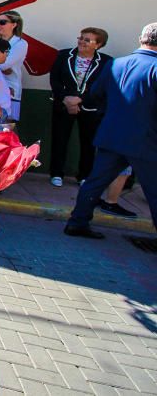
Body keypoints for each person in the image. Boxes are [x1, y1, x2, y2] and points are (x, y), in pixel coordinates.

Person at [65, 23, 157, 238]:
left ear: (141, 38)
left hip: (112, 134)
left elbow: (96, 94)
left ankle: (77, 222)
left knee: (95, 182)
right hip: (145, 140)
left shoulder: (117, 64)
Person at [48, 27, 113, 187]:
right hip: (64, 105)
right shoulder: (64, 55)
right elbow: (55, 80)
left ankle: (84, 175)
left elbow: (101, 86)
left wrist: (79, 100)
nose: (81, 42)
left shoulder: (106, 61)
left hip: (90, 108)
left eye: (87, 40)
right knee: (59, 139)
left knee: (89, 143)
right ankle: (56, 173)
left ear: (98, 45)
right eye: (81, 38)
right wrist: (65, 99)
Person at [0, 11, 28, 121]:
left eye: (3, 22)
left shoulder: (20, 44)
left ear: (14, 24)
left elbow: (4, 64)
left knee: (6, 126)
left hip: (9, 90)